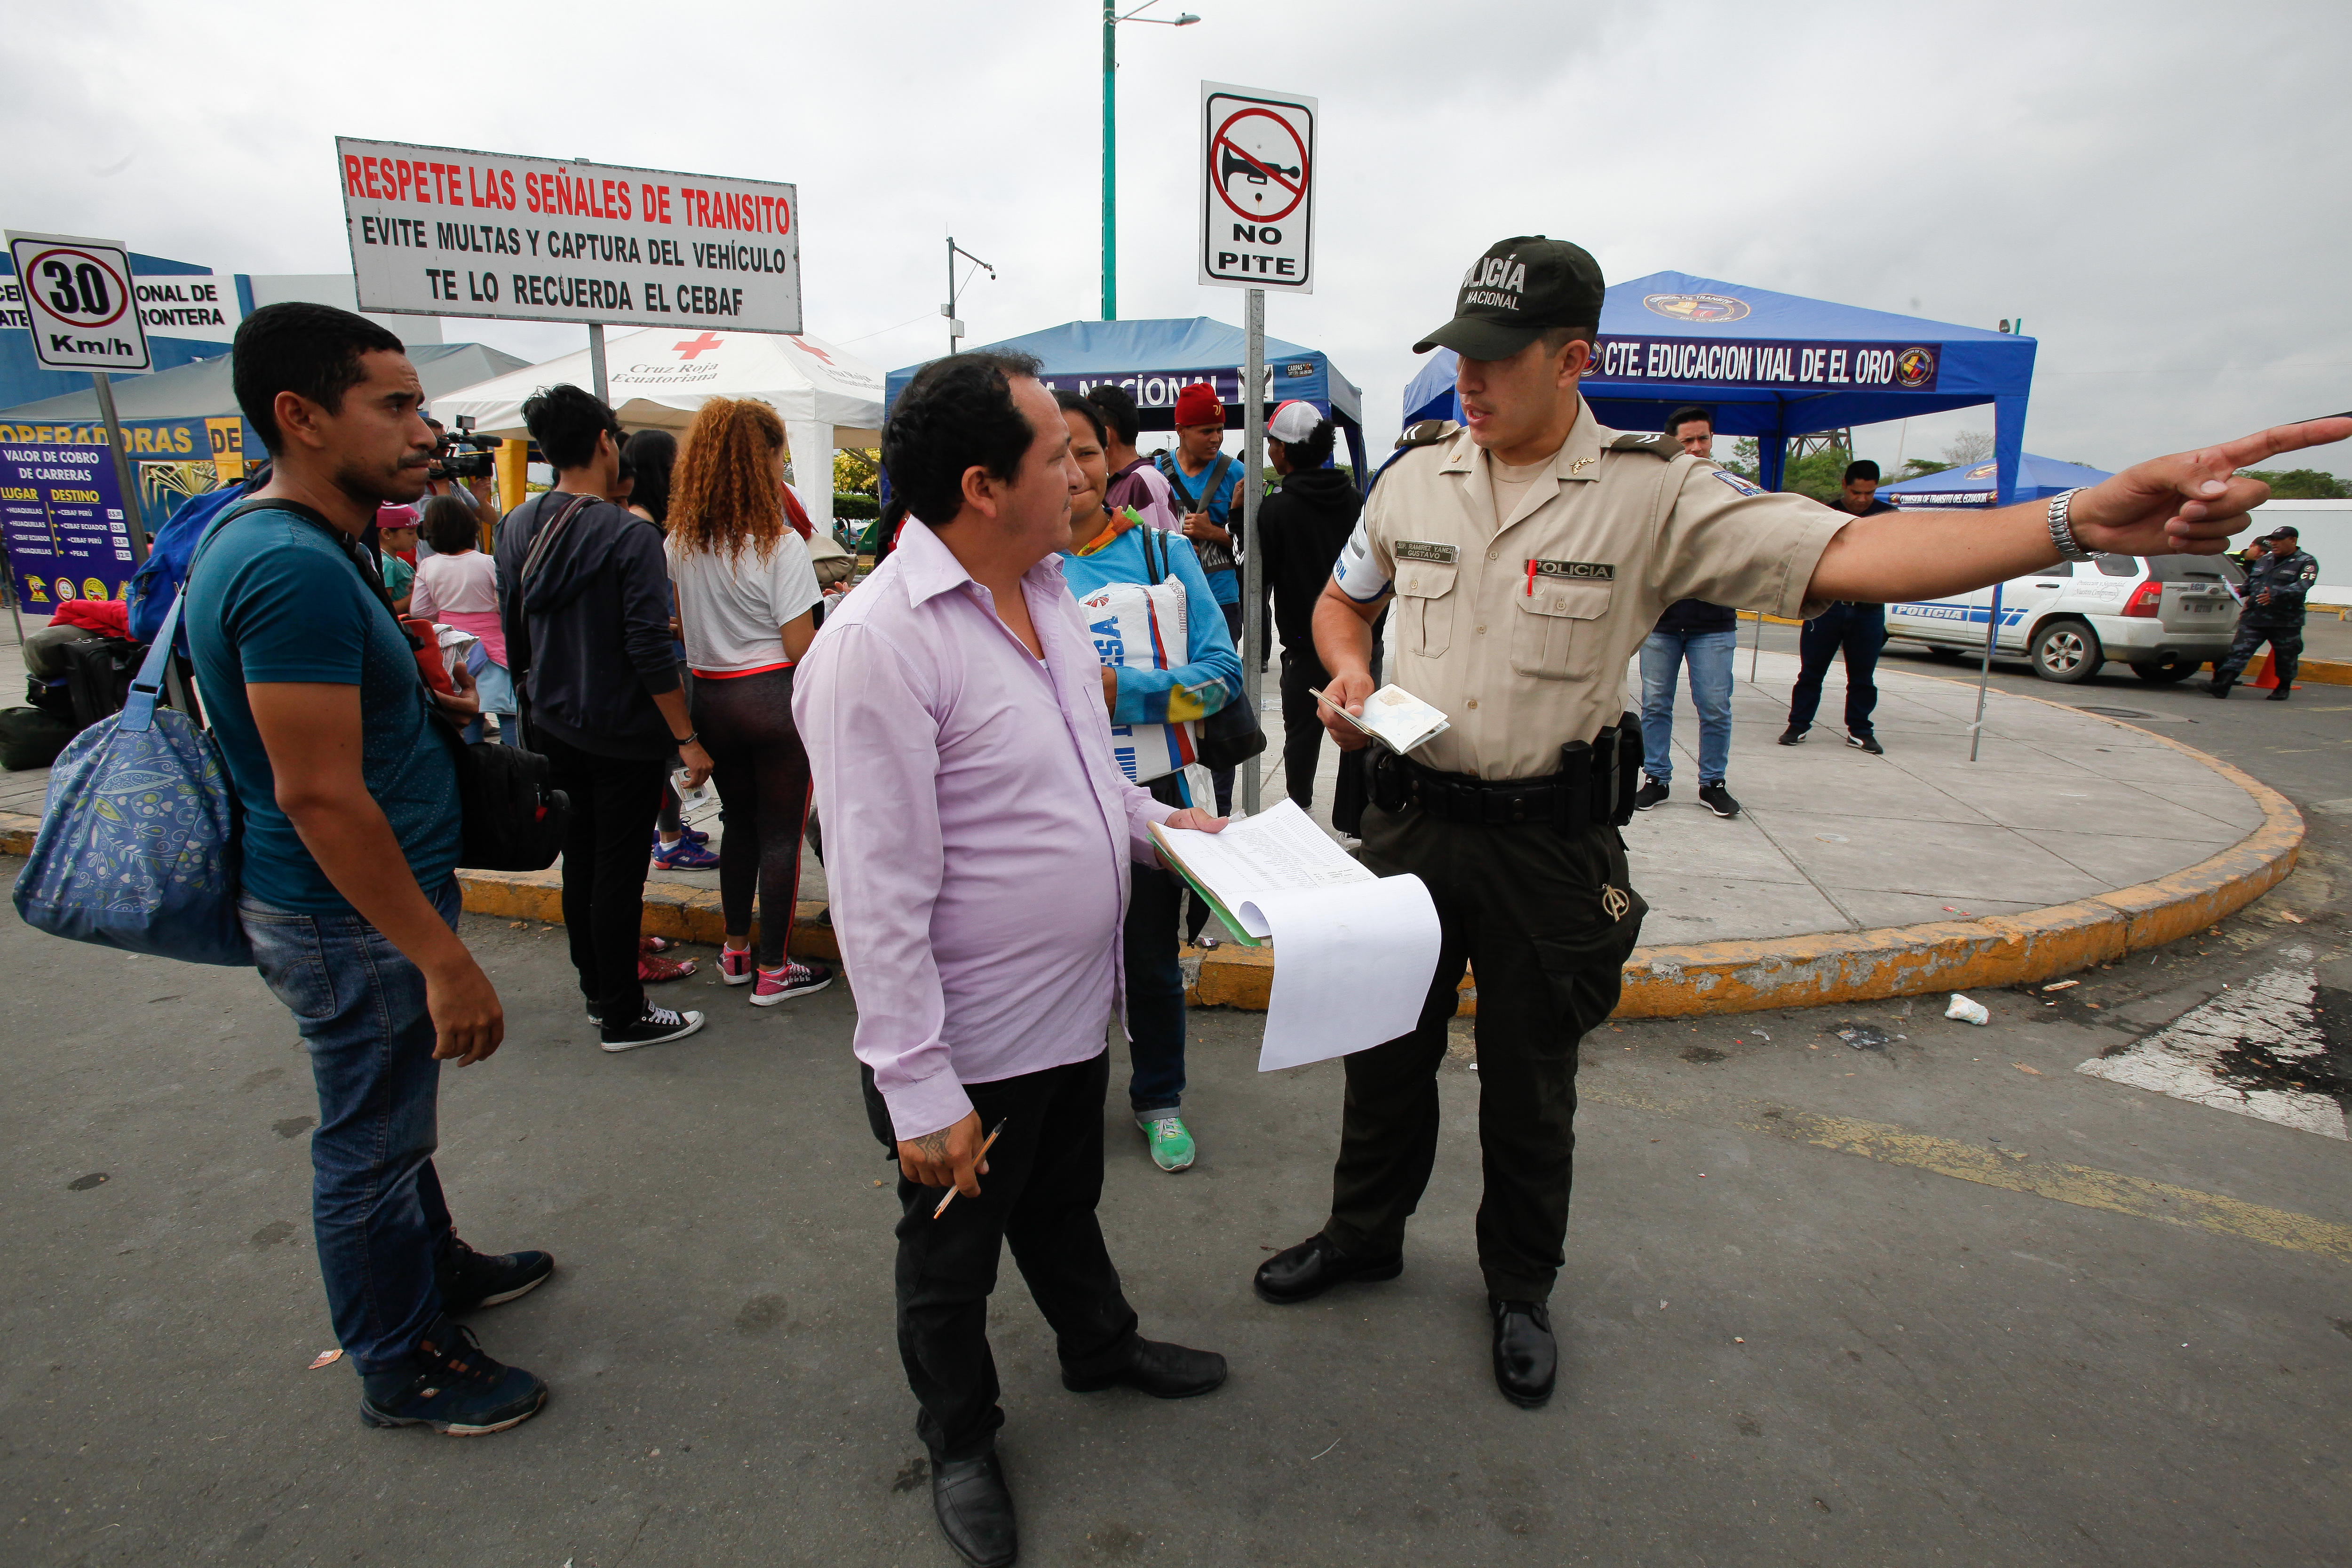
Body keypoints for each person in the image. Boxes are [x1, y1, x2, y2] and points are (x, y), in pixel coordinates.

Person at [1271, 233, 2347, 1413]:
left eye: (1494, 357)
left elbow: (1852, 551)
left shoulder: (1653, 494)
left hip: (1546, 845)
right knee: (1383, 1054)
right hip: (1414, 821)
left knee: (1531, 1082)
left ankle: (1520, 1286)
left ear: (1573, 358)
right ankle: (1363, 1233)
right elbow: (1342, 597)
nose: (1466, 380)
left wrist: (2077, 519)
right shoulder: (1416, 474)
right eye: (1456, 354)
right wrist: (1353, 675)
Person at [796, 352, 1231, 1568]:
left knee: (1063, 1201)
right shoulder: (877, 643)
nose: (1088, 470)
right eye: (1061, 453)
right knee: (950, 1258)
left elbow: (1082, 773)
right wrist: (918, 1086)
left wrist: (1158, 828)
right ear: (984, 484)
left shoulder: (1042, 589)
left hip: (1067, 1014)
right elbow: (875, 892)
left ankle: (1098, 1345)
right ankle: (960, 1435)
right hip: (966, 1039)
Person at [185, 301, 550, 1437]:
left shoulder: (308, 544)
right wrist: (443, 959)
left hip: (356, 906)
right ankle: (402, 1363)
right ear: (299, 417)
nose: (420, 428)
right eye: (390, 405)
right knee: (371, 1143)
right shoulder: (285, 565)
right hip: (347, 916)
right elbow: (317, 794)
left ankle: (431, 1267)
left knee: (394, 1122)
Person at [1054, 389, 1242, 1173]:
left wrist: (1121, 692)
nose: (1070, 473)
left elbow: (1223, 673)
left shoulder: (1163, 553)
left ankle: (1159, 1097)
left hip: (1156, 795)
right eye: (1051, 456)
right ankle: (1060, 1101)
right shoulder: (1016, 568)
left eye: (1086, 453)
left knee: (1152, 962)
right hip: (1055, 798)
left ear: (1113, 457)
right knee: (1059, 961)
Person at [496, 384, 713, 1052]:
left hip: (550, 722)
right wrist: (687, 737)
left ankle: (598, 989)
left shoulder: (516, 524)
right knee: (618, 871)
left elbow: (514, 628)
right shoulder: (629, 533)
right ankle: (624, 1011)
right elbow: (649, 649)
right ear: (602, 442)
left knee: (581, 863)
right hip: (620, 729)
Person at [665, 396, 835, 1004]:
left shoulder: (680, 543)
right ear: (759, 461)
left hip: (710, 695)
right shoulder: (779, 544)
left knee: (737, 826)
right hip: (771, 699)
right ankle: (774, 968)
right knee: (780, 835)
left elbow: (682, 629)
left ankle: (736, 950)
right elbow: (798, 646)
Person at [1635, 405, 1743, 817]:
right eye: (1688, 441)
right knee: (1656, 702)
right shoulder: (1656, 490)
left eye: (1704, 438)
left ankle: (1712, 782)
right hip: (1662, 621)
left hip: (1713, 623)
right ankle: (1656, 778)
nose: (1698, 447)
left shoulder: (1729, 488)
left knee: (1715, 705)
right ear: (1673, 445)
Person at [1257, 399, 1362, 816]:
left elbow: (1260, 575)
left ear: (1282, 450)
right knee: (1357, 729)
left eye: (1271, 443)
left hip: (1305, 645)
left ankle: (1297, 810)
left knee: (1301, 734)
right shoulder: (1356, 501)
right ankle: (1353, 819)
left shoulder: (1276, 508)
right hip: (1359, 642)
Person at [1779, 459, 1900, 754]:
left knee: (1862, 676)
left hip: (1869, 609)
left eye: (1869, 494)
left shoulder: (1889, 517)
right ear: (1845, 485)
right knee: (1811, 672)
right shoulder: (1826, 514)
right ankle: (1799, 724)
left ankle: (1860, 729)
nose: (1861, 500)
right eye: (1856, 492)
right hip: (1827, 608)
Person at [410, 495, 518, 746]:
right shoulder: (488, 563)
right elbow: (506, 604)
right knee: (508, 713)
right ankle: (516, 770)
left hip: (453, 648)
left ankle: (474, 772)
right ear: (471, 527)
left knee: (468, 714)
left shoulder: (427, 566)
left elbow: (420, 610)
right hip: (493, 648)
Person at [2209, 524, 2319, 700]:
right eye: (2272, 541)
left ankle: (2283, 688)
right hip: (2255, 616)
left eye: (2279, 541)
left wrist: (2276, 594)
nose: (2274, 544)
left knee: (2286, 655)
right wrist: (2240, 591)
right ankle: (2222, 685)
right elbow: (2252, 583)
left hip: (2285, 620)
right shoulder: (2264, 561)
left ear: (2293, 540)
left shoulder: (2306, 562)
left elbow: (2303, 585)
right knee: (2239, 651)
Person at [1087, 384, 1179, 532]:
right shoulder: (1120, 482)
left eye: (1087, 432)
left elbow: (1156, 549)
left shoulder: (1144, 480)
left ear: (1105, 435)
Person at [375, 503, 418, 614]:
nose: (416, 538)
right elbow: (386, 609)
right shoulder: (387, 565)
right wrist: (417, 594)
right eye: (410, 533)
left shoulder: (400, 561)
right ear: (387, 533)